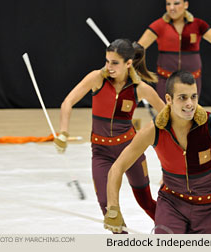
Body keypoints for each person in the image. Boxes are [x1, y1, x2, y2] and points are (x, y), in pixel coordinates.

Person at [104, 70, 211, 234]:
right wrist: (113, 208)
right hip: (171, 203)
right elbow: (117, 167)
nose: (190, 103)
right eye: (182, 97)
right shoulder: (154, 130)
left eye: (193, 96)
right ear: (168, 99)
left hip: (208, 207)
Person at [53, 39, 166, 230]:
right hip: (101, 152)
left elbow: (167, 117)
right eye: (107, 61)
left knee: (145, 201)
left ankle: (177, 235)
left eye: (114, 62)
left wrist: (169, 159)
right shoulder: (96, 78)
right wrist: (63, 133)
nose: (108, 66)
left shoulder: (141, 89)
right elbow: (67, 102)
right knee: (107, 209)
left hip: (130, 150)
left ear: (128, 63)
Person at [138, 0, 211, 102]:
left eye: (176, 3)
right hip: (166, 80)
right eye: (168, 4)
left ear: (186, 4)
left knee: (189, 113)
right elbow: (138, 48)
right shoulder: (159, 25)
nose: (171, 8)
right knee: (166, 114)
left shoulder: (198, 25)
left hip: (191, 80)